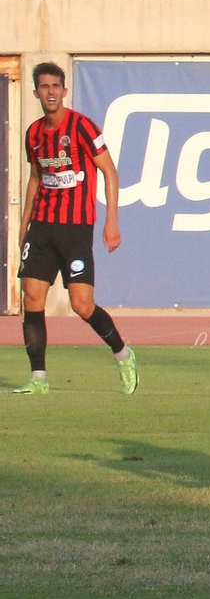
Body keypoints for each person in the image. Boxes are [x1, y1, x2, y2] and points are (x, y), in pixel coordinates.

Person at [13, 61, 137, 396]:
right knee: (32, 297)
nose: (50, 92)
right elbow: (36, 178)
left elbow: (110, 172)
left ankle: (123, 354)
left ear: (64, 90)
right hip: (42, 226)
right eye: (44, 86)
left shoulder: (82, 126)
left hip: (75, 228)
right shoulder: (34, 133)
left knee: (81, 304)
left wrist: (112, 220)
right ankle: (38, 377)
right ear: (36, 91)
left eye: (56, 86)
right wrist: (24, 225)